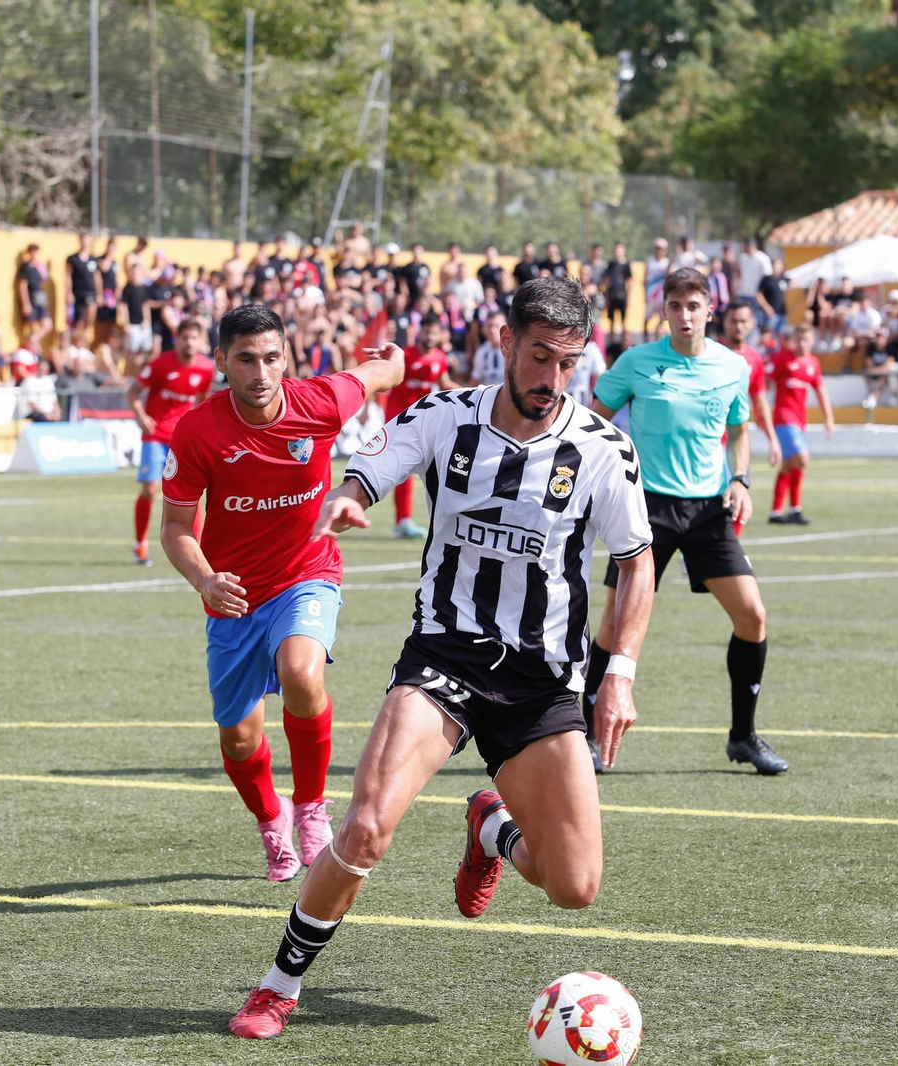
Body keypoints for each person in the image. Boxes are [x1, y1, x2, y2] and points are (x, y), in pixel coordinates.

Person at [226, 277, 655, 1040]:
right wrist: (353, 493)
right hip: (444, 660)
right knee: (364, 829)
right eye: (537, 356)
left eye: (567, 362)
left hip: (542, 686)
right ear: (504, 342)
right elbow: (372, 461)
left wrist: (618, 672)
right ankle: (277, 986)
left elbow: (635, 562)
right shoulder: (446, 416)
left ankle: (493, 829)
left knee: (576, 886)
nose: (550, 378)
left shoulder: (600, 449)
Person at [160, 307, 403, 891]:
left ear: (286, 356)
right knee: (240, 738)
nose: (261, 371)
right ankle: (272, 823)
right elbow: (175, 529)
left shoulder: (319, 402)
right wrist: (205, 581)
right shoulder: (198, 432)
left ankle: (312, 808)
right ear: (222, 362)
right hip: (234, 596)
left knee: (301, 671)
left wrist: (389, 361)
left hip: (307, 573)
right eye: (245, 359)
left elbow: (380, 376)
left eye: (271, 357)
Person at [589, 267, 788, 777]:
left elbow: (740, 430)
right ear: (665, 311)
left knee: (753, 617)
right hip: (648, 506)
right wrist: (608, 475)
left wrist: (740, 479)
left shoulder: (732, 366)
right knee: (614, 624)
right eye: (675, 306)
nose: (684, 315)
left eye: (693, 306)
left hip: (707, 511)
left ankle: (742, 737)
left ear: (708, 311)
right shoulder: (636, 362)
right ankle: (585, 737)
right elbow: (594, 419)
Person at [128, 318, 217, 565]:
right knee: (149, 490)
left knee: (194, 493)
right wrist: (142, 416)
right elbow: (133, 392)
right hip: (155, 435)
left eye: (193, 338)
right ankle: (140, 544)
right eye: (185, 337)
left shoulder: (205, 368)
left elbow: (202, 400)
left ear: (200, 341)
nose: (189, 342)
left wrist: (201, 430)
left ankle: (195, 549)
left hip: (183, 439)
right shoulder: (160, 364)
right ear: (177, 339)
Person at [383, 313, 457, 538]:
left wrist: (471, 393)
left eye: (435, 332)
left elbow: (444, 384)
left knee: (438, 467)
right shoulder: (405, 355)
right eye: (427, 331)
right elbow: (387, 378)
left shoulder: (439, 358)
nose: (431, 336)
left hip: (425, 421)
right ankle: (402, 520)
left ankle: (443, 519)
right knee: (404, 470)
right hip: (400, 420)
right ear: (419, 332)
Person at [768, 324, 836, 525]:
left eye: (806, 339)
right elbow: (766, 382)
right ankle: (786, 510)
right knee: (802, 459)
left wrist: (829, 418)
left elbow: (820, 391)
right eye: (799, 339)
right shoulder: (782, 358)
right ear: (794, 340)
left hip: (800, 421)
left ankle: (784, 511)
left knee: (790, 465)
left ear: (812, 340)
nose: (802, 343)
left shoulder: (813, 363)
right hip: (783, 418)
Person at [722, 304, 782, 478]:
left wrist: (773, 440)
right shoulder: (711, 354)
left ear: (752, 323)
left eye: (743, 321)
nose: (738, 326)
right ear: (725, 322)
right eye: (733, 321)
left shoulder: (755, 359)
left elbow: (760, 403)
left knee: (739, 502)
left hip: (739, 444)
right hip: (711, 445)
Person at [16, 244, 51, 341]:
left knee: (46, 324)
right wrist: (26, 303)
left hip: (40, 296)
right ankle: (32, 345)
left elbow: (43, 280)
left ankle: (33, 341)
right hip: (31, 297)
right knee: (32, 326)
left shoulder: (39, 266)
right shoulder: (26, 267)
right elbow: (22, 286)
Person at [67, 234, 99, 332]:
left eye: (87, 240)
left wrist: (99, 293)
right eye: (83, 240)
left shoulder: (93, 259)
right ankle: (76, 343)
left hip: (90, 292)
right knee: (78, 321)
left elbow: (97, 277)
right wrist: (69, 293)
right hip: (77, 293)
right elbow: (68, 276)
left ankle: (83, 341)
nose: (85, 242)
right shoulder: (72, 259)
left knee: (90, 318)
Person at [602, 243, 632, 347]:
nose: (617, 252)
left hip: (622, 296)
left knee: (623, 321)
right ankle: (611, 343)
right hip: (612, 296)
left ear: (624, 251)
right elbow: (607, 280)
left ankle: (624, 343)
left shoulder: (626, 265)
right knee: (611, 321)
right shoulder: (611, 265)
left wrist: (628, 296)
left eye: (619, 250)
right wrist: (606, 296)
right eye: (616, 250)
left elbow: (629, 281)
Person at [469, 310, 507, 386]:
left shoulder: (514, 350)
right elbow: (476, 378)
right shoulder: (481, 352)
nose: (493, 330)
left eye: (496, 326)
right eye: (489, 326)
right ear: (484, 329)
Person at [642, 238, 671, 336]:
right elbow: (644, 278)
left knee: (662, 319)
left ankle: (658, 338)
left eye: (661, 249)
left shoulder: (667, 262)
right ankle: (645, 341)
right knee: (646, 319)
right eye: (657, 248)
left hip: (661, 295)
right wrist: (644, 294)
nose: (659, 251)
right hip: (650, 295)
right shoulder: (650, 261)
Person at [735, 238, 771, 311]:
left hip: (756, 295)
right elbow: (739, 273)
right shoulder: (743, 258)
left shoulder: (762, 258)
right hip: (744, 293)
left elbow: (767, 277)